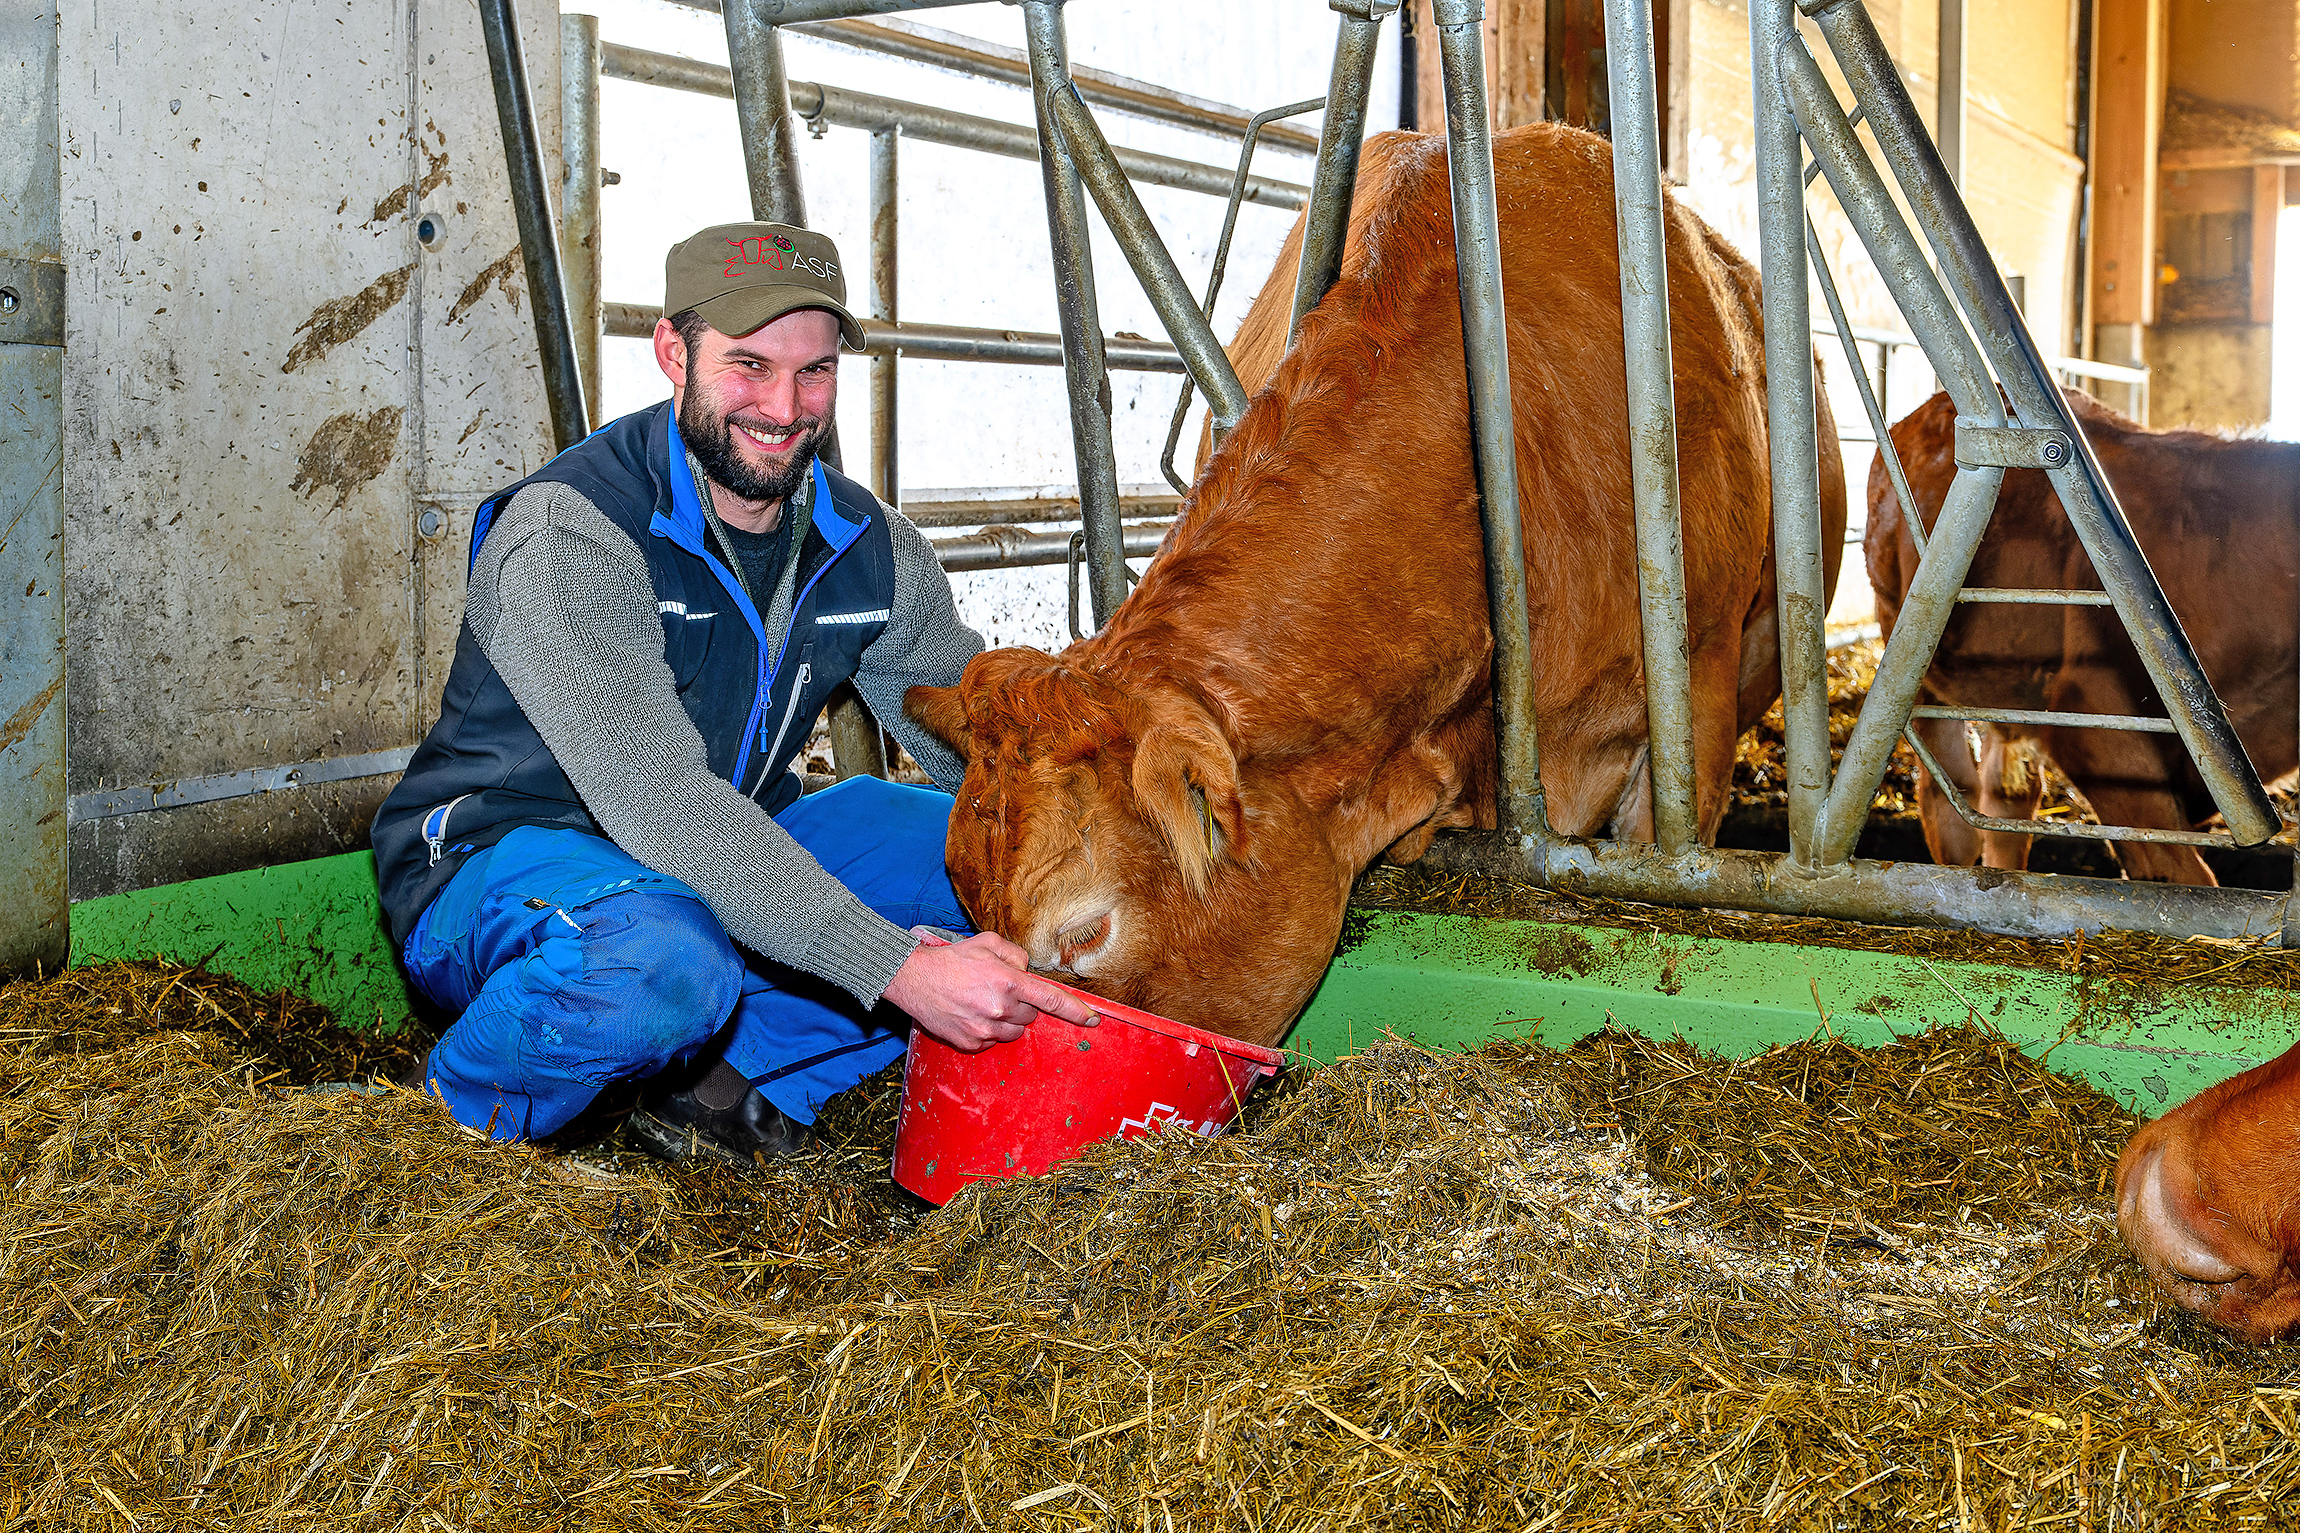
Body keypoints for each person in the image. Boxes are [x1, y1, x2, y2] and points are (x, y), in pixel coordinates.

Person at [371, 220, 1096, 1166]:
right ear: (674, 352)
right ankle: (433, 1135)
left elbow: (975, 733)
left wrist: (1097, 798)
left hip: (721, 862)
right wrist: (900, 967)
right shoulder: (574, 534)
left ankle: (709, 1080)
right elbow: (663, 807)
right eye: (748, 366)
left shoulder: (864, 547)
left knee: (995, 863)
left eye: (815, 373)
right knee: (657, 959)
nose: (784, 408)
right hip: (499, 869)